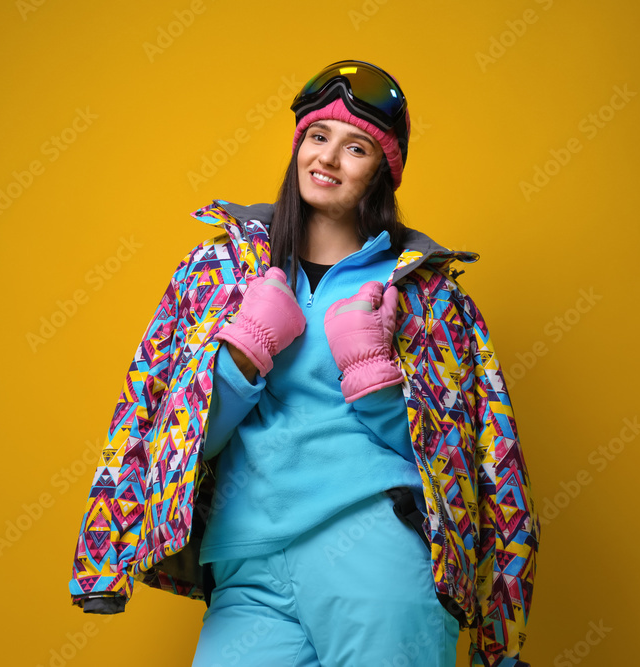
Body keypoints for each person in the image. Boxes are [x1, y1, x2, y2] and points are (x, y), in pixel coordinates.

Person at [67, 60, 540, 667]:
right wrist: (241, 353)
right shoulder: (217, 273)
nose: (329, 159)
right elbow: (156, 424)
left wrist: (373, 373)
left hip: (378, 561)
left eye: (357, 148)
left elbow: (478, 461)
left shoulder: (428, 294)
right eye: (318, 137)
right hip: (246, 562)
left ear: (382, 172)